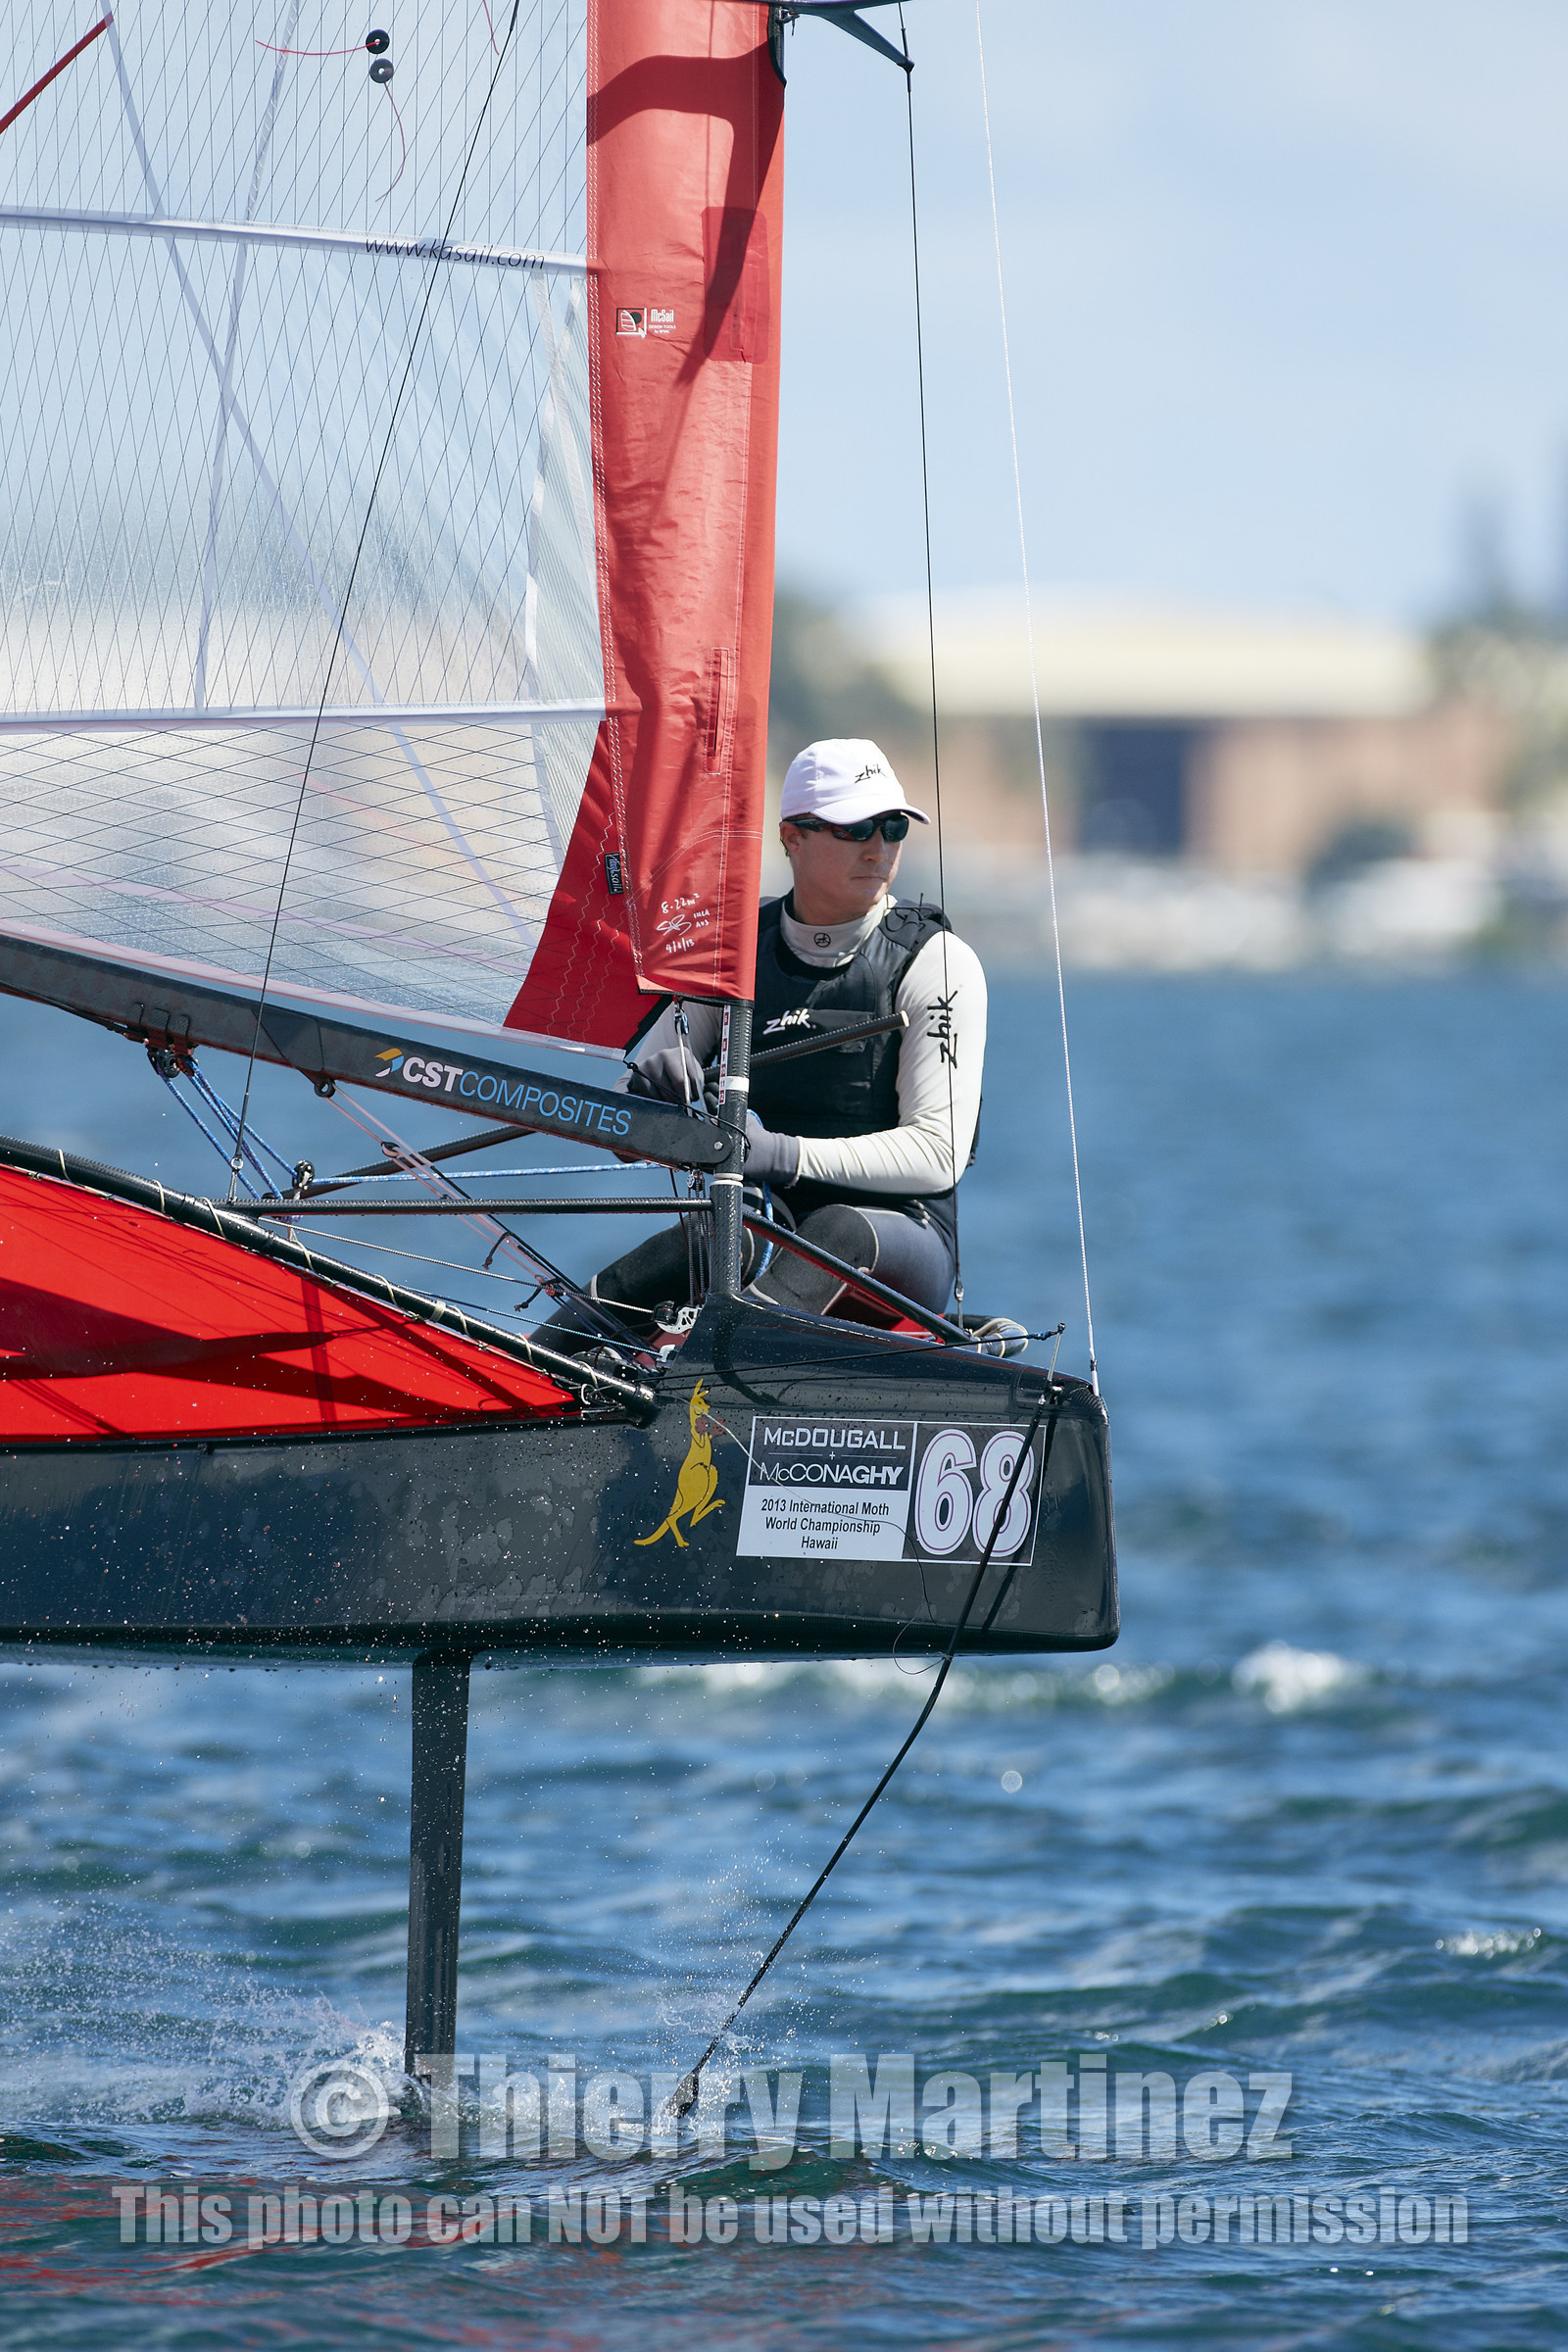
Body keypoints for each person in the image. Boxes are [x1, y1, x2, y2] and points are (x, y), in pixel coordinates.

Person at [536, 737, 986, 1351]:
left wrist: (780, 1154)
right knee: (711, 1241)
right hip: (758, 1224)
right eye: (857, 828)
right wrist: (651, 1095)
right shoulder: (734, 954)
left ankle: (710, 1367)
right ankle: (524, 1366)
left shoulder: (936, 963)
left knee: (834, 1231)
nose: (880, 848)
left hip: (899, 1240)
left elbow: (938, 1153)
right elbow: (625, 1125)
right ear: (792, 836)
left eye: (893, 827)